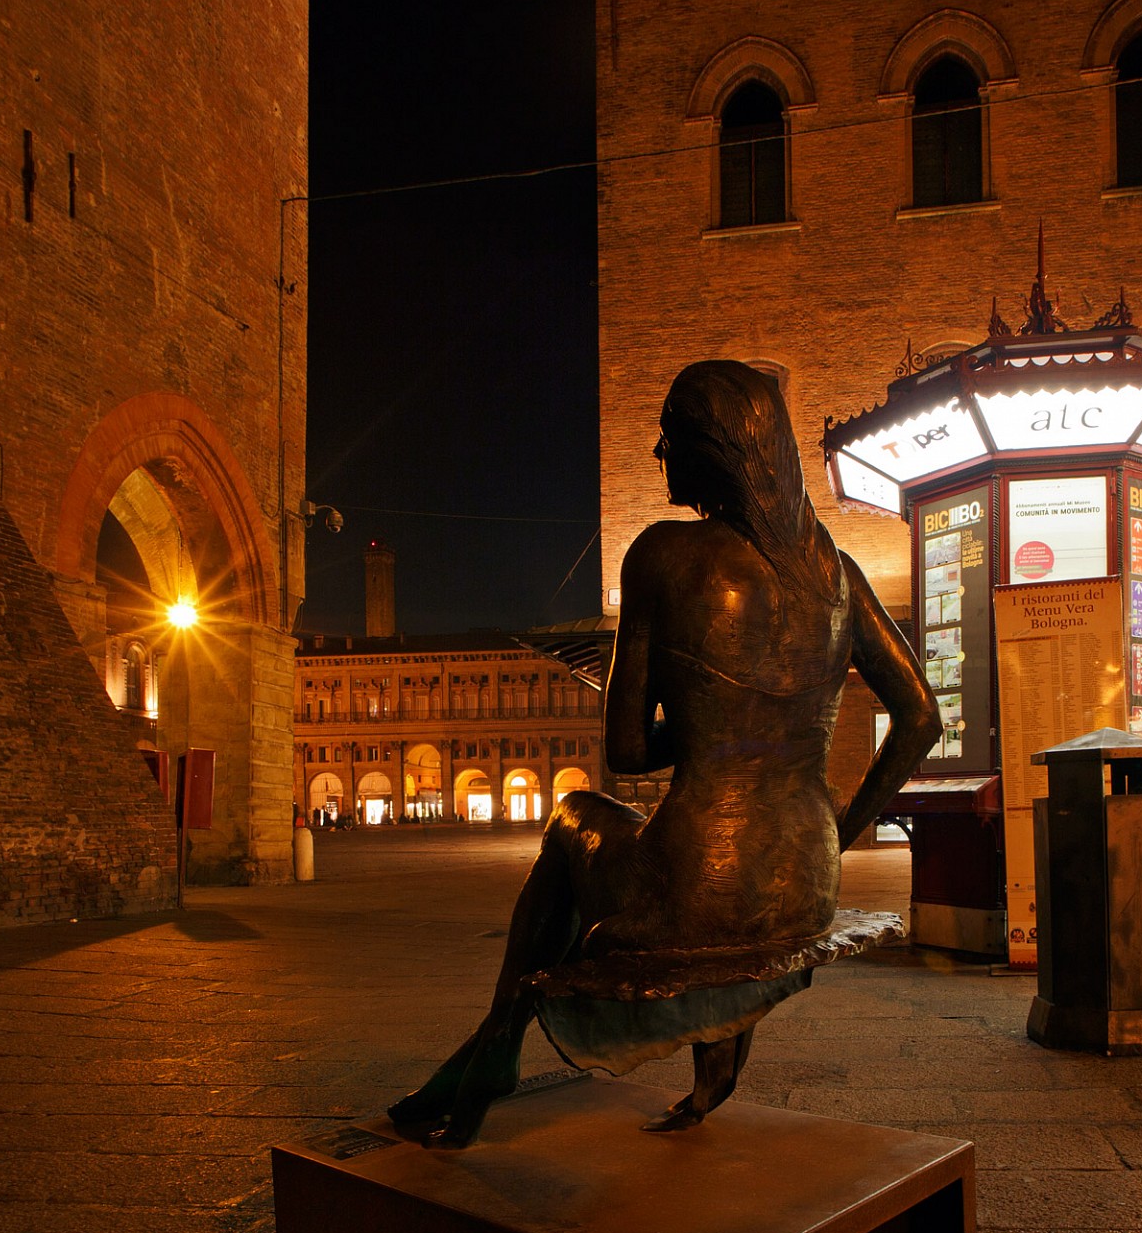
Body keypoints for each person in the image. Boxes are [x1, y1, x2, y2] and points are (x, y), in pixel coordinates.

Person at [388, 361, 938, 1147]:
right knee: (685, 874)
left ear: (714, 448)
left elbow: (624, 750)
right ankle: (709, 1064)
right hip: (807, 879)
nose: (658, 452)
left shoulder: (662, 555)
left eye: (670, 434)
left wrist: (708, 718)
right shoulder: (838, 576)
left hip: (696, 883)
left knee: (574, 815)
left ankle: (498, 1042)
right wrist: (840, 834)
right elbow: (920, 717)